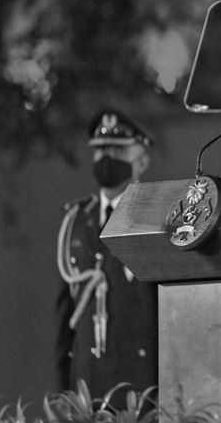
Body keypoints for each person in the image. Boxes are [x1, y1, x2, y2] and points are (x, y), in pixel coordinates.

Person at [54, 108, 158, 401]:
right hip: (87, 384)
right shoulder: (75, 220)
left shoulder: (155, 216)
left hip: (142, 385)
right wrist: (63, 392)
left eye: (118, 150)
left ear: (142, 160)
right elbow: (65, 317)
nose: (107, 158)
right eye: (101, 151)